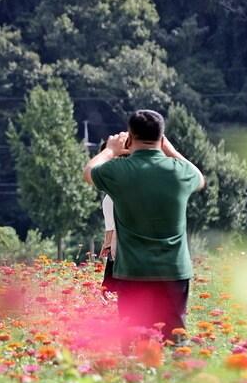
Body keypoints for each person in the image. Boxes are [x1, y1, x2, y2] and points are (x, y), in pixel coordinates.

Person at [83, 109, 204, 342]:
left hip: (133, 272)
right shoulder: (180, 172)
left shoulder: (118, 171)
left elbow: (89, 172)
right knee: (174, 341)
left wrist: (110, 150)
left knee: (134, 343)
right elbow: (199, 177)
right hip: (174, 270)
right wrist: (168, 148)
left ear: (130, 136)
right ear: (161, 136)